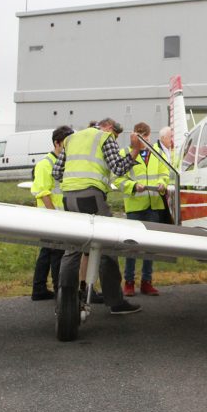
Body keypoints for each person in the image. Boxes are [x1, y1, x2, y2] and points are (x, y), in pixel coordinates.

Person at [53, 117, 145, 315]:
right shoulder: (105, 137)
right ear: (110, 128)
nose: (115, 139)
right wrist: (135, 150)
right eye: (116, 135)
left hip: (68, 198)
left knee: (72, 248)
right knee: (107, 245)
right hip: (91, 197)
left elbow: (57, 173)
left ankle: (65, 297)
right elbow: (119, 168)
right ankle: (115, 302)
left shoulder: (71, 139)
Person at [115, 122, 170, 296]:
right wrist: (132, 186)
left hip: (154, 205)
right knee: (132, 245)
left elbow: (165, 173)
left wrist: (163, 183)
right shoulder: (124, 154)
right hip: (135, 206)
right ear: (133, 136)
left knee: (149, 246)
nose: (142, 139)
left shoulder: (158, 153)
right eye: (138, 136)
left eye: (144, 136)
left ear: (149, 136)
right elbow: (118, 179)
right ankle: (129, 282)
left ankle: (147, 282)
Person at [29, 125, 73, 300]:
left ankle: (39, 289)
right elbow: (43, 192)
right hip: (50, 216)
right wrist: (56, 216)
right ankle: (58, 289)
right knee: (56, 253)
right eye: (66, 144)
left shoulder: (63, 163)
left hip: (57, 214)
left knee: (47, 253)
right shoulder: (45, 164)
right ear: (57, 143)